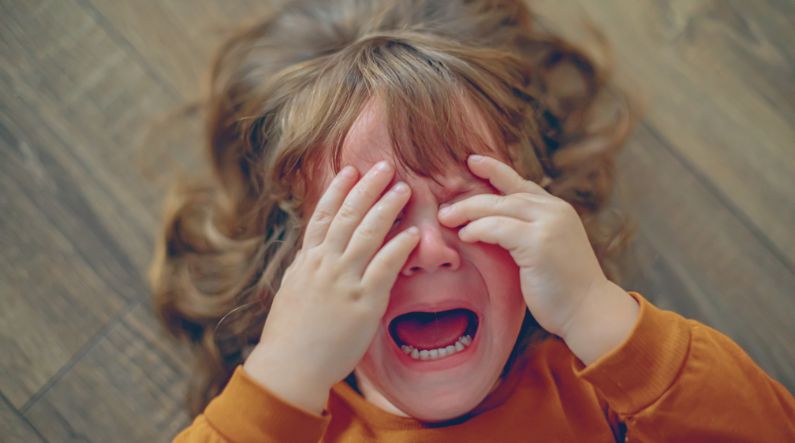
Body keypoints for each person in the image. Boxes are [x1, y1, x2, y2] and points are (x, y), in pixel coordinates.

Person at [149, 0, 795, 441]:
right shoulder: (294, 424)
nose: (430, 250)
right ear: (299, 266)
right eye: (377, 219)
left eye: (464, 203)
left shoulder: (600, 389)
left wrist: (597, 310)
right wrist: (283, 369)